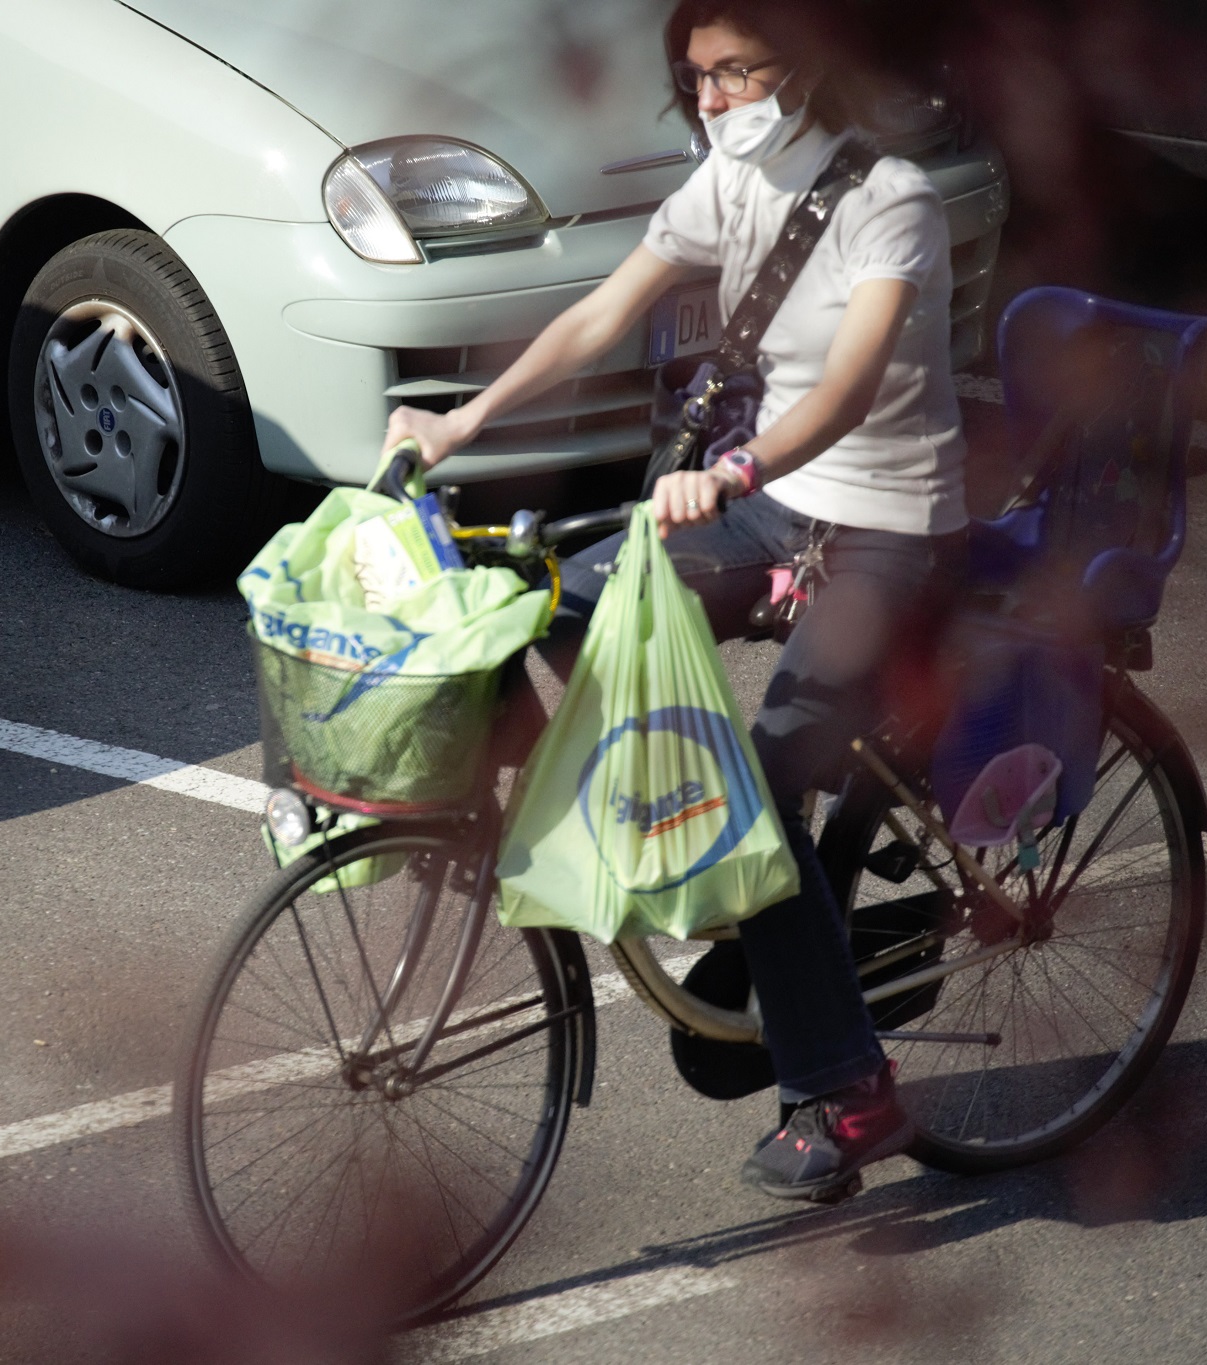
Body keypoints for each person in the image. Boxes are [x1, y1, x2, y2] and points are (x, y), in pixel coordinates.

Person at [383, 0, 970, 1202]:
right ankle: (668, 837)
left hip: (882, 530)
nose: (710, 101)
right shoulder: (730, 180)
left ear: (806, 62)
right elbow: (602, 312)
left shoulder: (891, 198)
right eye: (695, 77)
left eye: (733, 72)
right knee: (551, 596)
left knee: (754, 786)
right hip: (770, 506)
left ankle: (850, 1089)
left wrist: (739, 470)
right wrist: (460, 422)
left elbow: (849, 385)